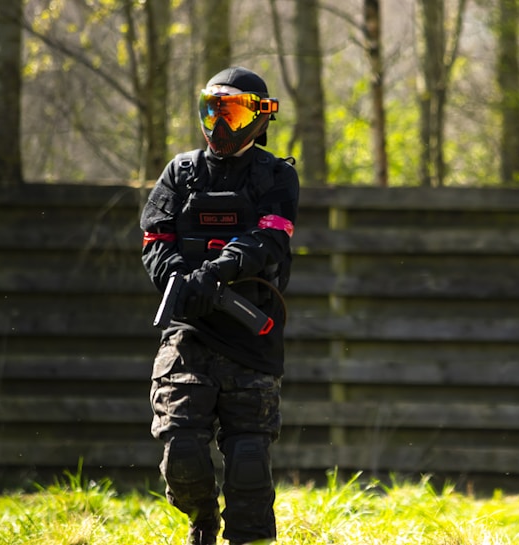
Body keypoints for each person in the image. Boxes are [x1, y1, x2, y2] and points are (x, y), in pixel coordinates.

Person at [140, 66, 300, 545]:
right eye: (212, 110)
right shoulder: (181, 172)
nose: (220, 124)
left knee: (249, 463)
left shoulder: (277, 176)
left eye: (231, 112)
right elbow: (154, 239)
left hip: (249, 339)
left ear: (260, 116)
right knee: (182, 454)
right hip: (188, 336)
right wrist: (178, 279)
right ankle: (203, 521)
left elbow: (269, 237)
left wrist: (215, 273)